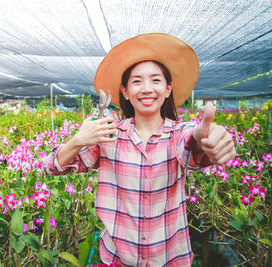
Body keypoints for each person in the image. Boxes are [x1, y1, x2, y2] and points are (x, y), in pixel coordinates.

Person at [45, 33, 236, 266]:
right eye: (137, 81)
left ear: (168, 89)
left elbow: (191, 146)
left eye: (156, 80)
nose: (146, 88)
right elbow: (52, 167)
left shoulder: (178, 133)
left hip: (169, 258)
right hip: (117, 258)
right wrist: (78, 140)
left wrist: (204, 140)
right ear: (125, 91)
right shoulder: (108, 134)